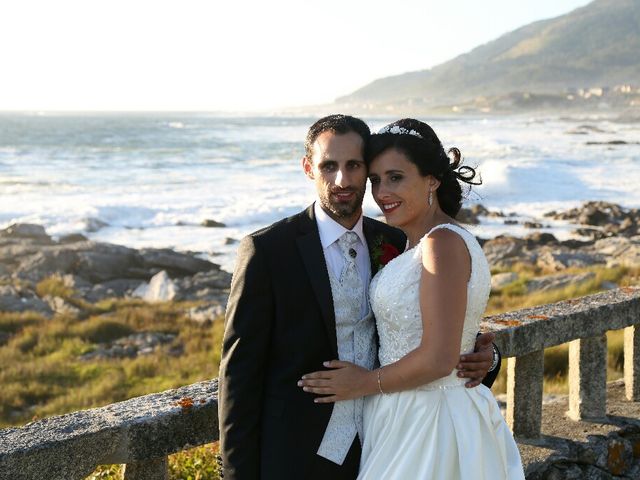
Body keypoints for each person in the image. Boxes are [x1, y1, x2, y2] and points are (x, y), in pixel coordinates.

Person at [218, 115, 501, 480]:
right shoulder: (268, 251)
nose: (343, 180)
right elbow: (238, 374)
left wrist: (487, 357)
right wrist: (236, 474)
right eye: (329, 166)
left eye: (354, 166)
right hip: (298, 457)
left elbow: (435, 332)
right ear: (309, 168)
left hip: (389, 439)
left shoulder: (400, 241)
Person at [299, 118, 524, 479]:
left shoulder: (441, 244)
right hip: (402, 415)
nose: (382, 192)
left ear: (432, 179)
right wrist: (483, 353)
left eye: (396, 177)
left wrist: (362, 383)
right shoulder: (409, 244)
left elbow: (439, 357)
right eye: (375, 180)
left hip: (429, 421)